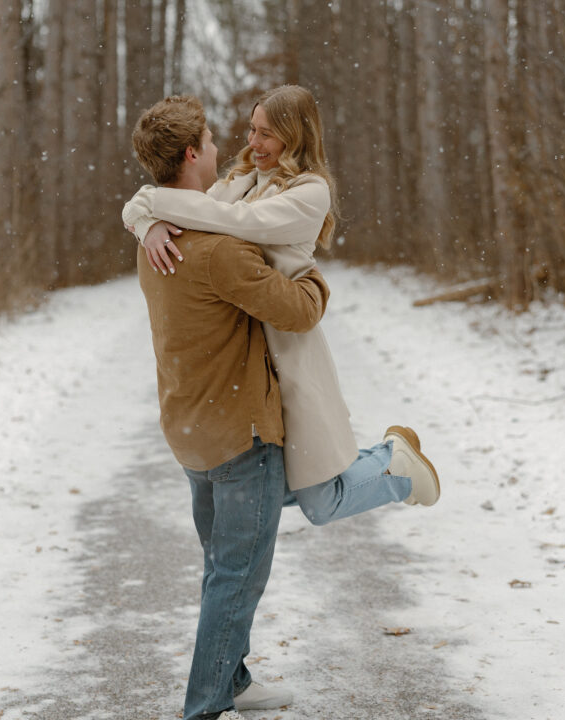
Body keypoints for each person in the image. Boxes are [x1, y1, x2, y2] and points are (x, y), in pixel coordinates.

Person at [123, 85, 440, 524]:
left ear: (294, 135)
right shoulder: (240, 180)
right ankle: (387, 461)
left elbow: (237, 222)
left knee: (319, 502)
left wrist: (153, 208)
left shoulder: (310, 193)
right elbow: (188, 208)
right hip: (254, 358)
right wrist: (146, 222)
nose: (253, 143)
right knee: (263, 481)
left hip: (290, 344)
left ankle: (395, 466)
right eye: (252, 130)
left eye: (266, 134)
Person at [130, 94, 333, 720]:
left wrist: (144, 218)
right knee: (238, 572)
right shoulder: (218, 249)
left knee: (223, 562)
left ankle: (233, 677)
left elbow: (161, 208)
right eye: (215, 141)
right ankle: (206, 713)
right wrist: (314, 283)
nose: (225, 149)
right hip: (236, 431)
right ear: (192, 154)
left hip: (189, 426)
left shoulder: (158, 237)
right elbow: (298, 312)